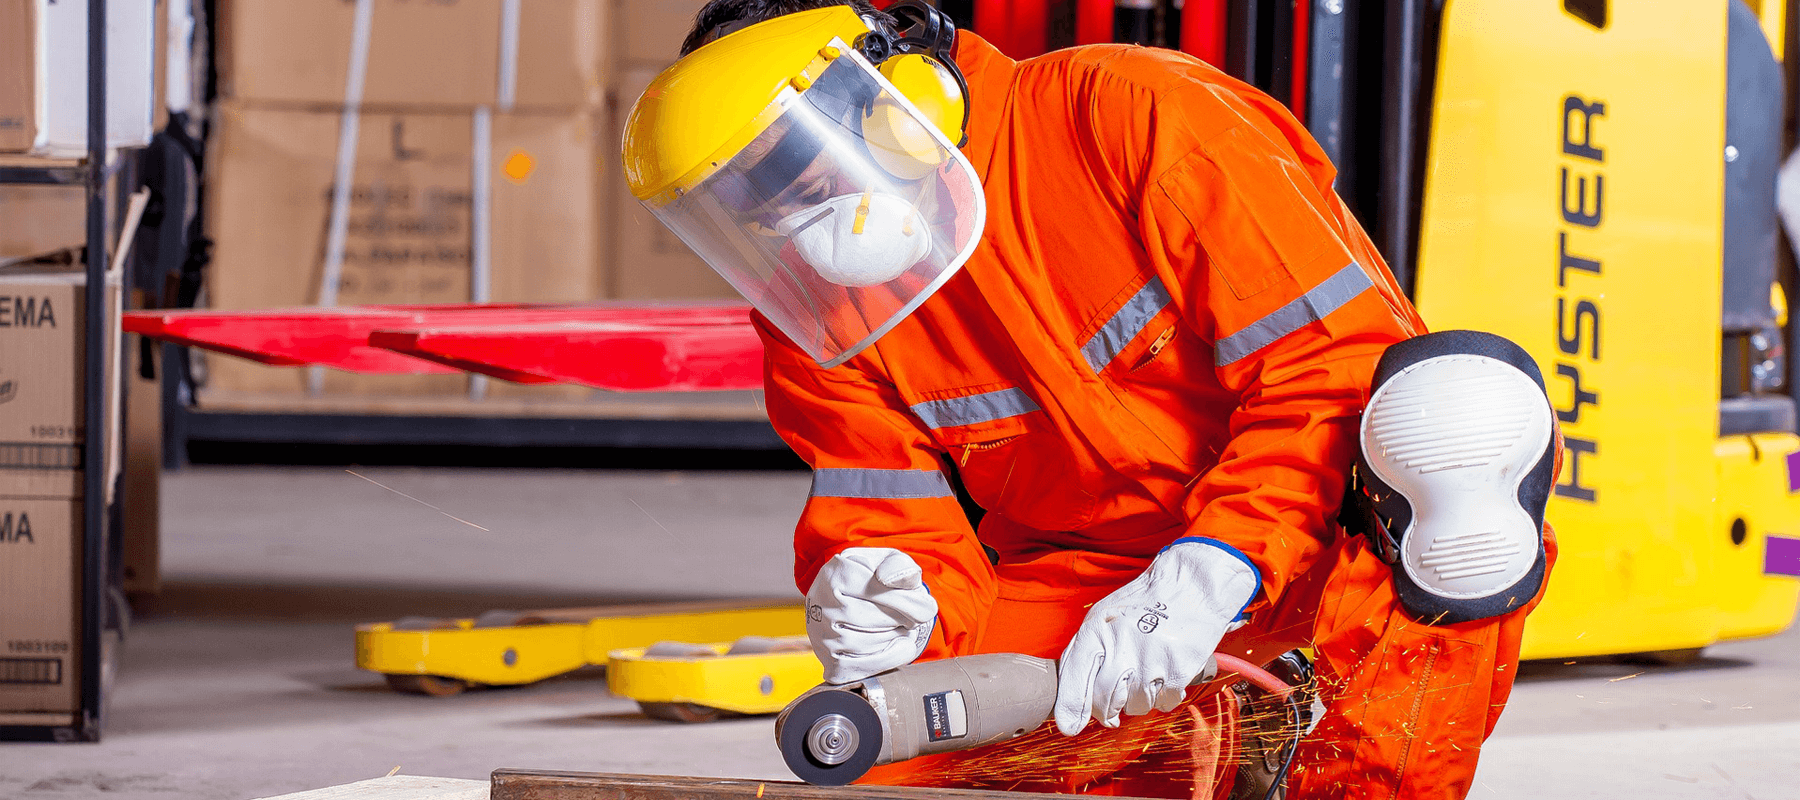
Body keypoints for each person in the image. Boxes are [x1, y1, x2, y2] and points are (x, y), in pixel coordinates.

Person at [621, 2, 1561, 797]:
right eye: (748, 200)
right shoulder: (817, 305)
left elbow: (1334, 372)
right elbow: (889, 515)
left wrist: (1213, 565)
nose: (784, 217)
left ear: (895, 103)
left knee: (1457, 430)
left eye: (791, 169)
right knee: (884, 737)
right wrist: (885, 600)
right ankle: (1236, 740)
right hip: (1093, 583)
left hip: (1316, 534)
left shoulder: (1137, 115)